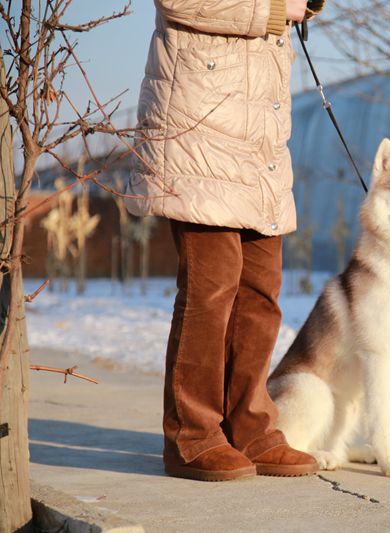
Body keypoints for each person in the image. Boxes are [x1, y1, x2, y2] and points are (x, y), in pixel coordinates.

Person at [125, 0, 325, 482]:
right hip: (200, 130)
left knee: (261, 291)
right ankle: (192, 435)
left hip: (259, 143)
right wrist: (275, 9)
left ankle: (249, 427)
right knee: (211, 289)